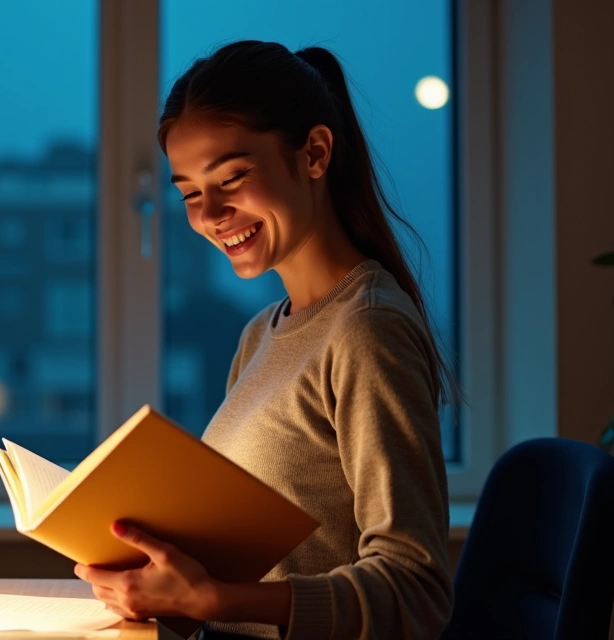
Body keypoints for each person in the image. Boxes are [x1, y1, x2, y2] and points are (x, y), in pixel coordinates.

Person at [73, 40, 454, 639]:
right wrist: (166, 585)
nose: (212, 213)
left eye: (233, 177)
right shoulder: (260, 335)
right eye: (191, 193)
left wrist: (216, 600)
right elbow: (249, 571)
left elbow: (417, 591)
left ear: (315, 154)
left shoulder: (367, 330)